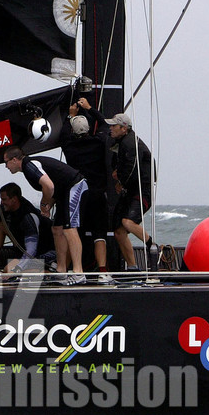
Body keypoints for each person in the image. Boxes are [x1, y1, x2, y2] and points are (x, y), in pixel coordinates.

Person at [3, 146, 88, 284]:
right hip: (63, 192)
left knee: (70, 228)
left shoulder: (29, 166)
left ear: (14, 160)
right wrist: (49, 205)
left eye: (6, 162)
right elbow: (54, 184)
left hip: (75, 185)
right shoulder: (27, 168)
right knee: (57, 229)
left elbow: (48, 186)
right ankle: (61, 270)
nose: (6, 166)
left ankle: (79, 273)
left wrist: (44, 205)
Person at [63, 97, 114, 280]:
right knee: (99, 233)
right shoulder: (99, 142)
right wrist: (90, 108)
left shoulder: (69, 147)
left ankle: (71, 270)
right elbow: (104, 125)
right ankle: (102, 271)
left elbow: (64, 134)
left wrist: (70, 116)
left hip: (79, 196)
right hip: (98, 194)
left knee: (75, 232)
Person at [107, 112, 159, 270]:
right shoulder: (120, 142)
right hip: (130, 190)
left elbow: (131, 168)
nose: (111, 129)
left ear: (124, 128)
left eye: (114, 126)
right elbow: (119, 165)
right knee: (118, 230)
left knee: (127, 222)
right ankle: (132, 267)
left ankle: (153, 247)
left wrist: (121, 181)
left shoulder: (130, 143)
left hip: (142, 190)